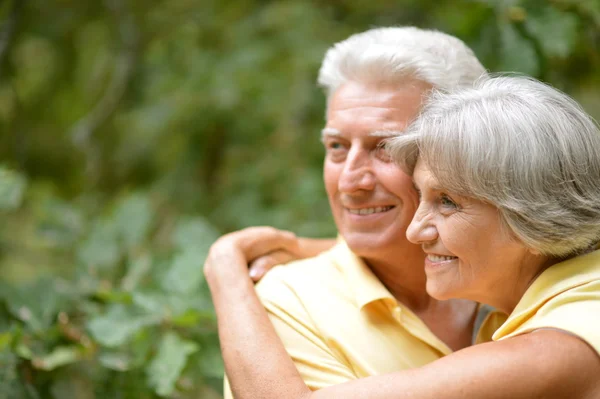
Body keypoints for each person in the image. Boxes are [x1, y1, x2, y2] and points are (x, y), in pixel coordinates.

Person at [205, 75, 600, 399]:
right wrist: (315, 250)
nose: (415, 230)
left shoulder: (556, 348)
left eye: (446, 202)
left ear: (532, 216)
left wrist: (226, 267)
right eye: (421, 196)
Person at [219, 26, 505, 396]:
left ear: (467, 153)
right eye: (337, 146)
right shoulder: (286, 303)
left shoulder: (532, 274)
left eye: (386, 147)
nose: (350, 182)